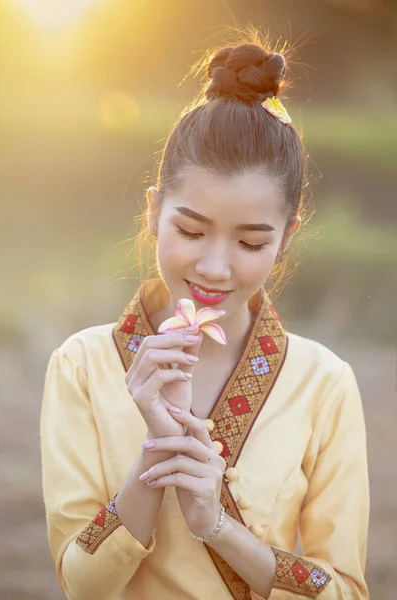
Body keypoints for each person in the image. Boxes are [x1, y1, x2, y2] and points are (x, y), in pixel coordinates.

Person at [40, 33, 369, 600]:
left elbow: (342, 589)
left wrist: (214, 524)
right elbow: (79, 584)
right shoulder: (82, 366)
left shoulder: (324, 383)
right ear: (153, 211)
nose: (216, 267)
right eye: (191, 231)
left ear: (286, 237)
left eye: (250, 243)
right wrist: (154, 462)